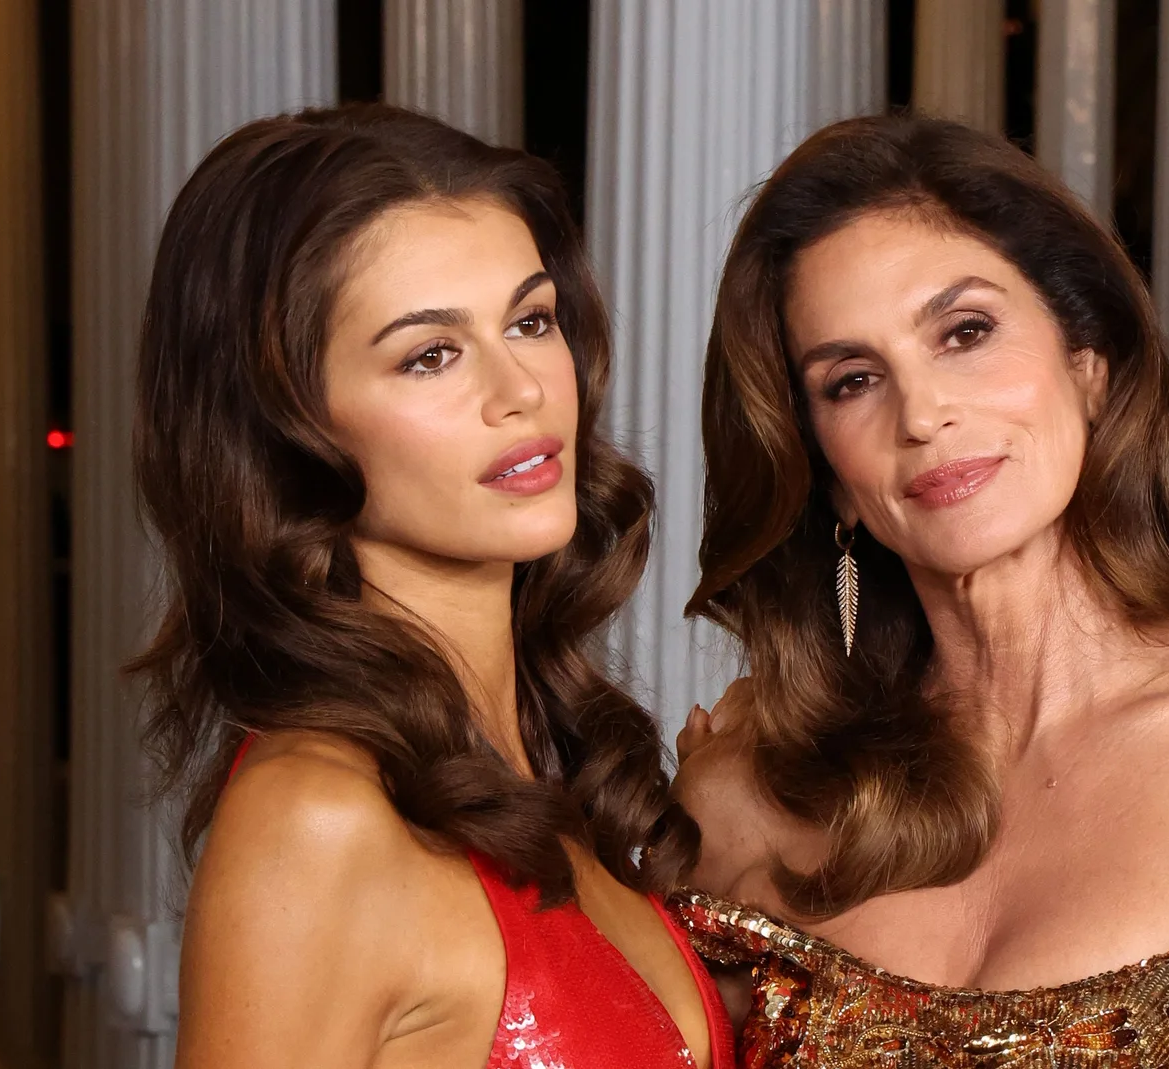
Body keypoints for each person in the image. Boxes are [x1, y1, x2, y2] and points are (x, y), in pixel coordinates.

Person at [671, 114, 1169, 1068]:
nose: (926, 412)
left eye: (965, 331)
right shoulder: (749, 804)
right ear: (822, 471)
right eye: (853, 379)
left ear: (1088, 365)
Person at [132, 103, 732, 1069]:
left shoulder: (558, 774)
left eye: (531, 321)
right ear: (285, 430)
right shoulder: (317, 822)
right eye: (429, 354)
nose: (522, 389)